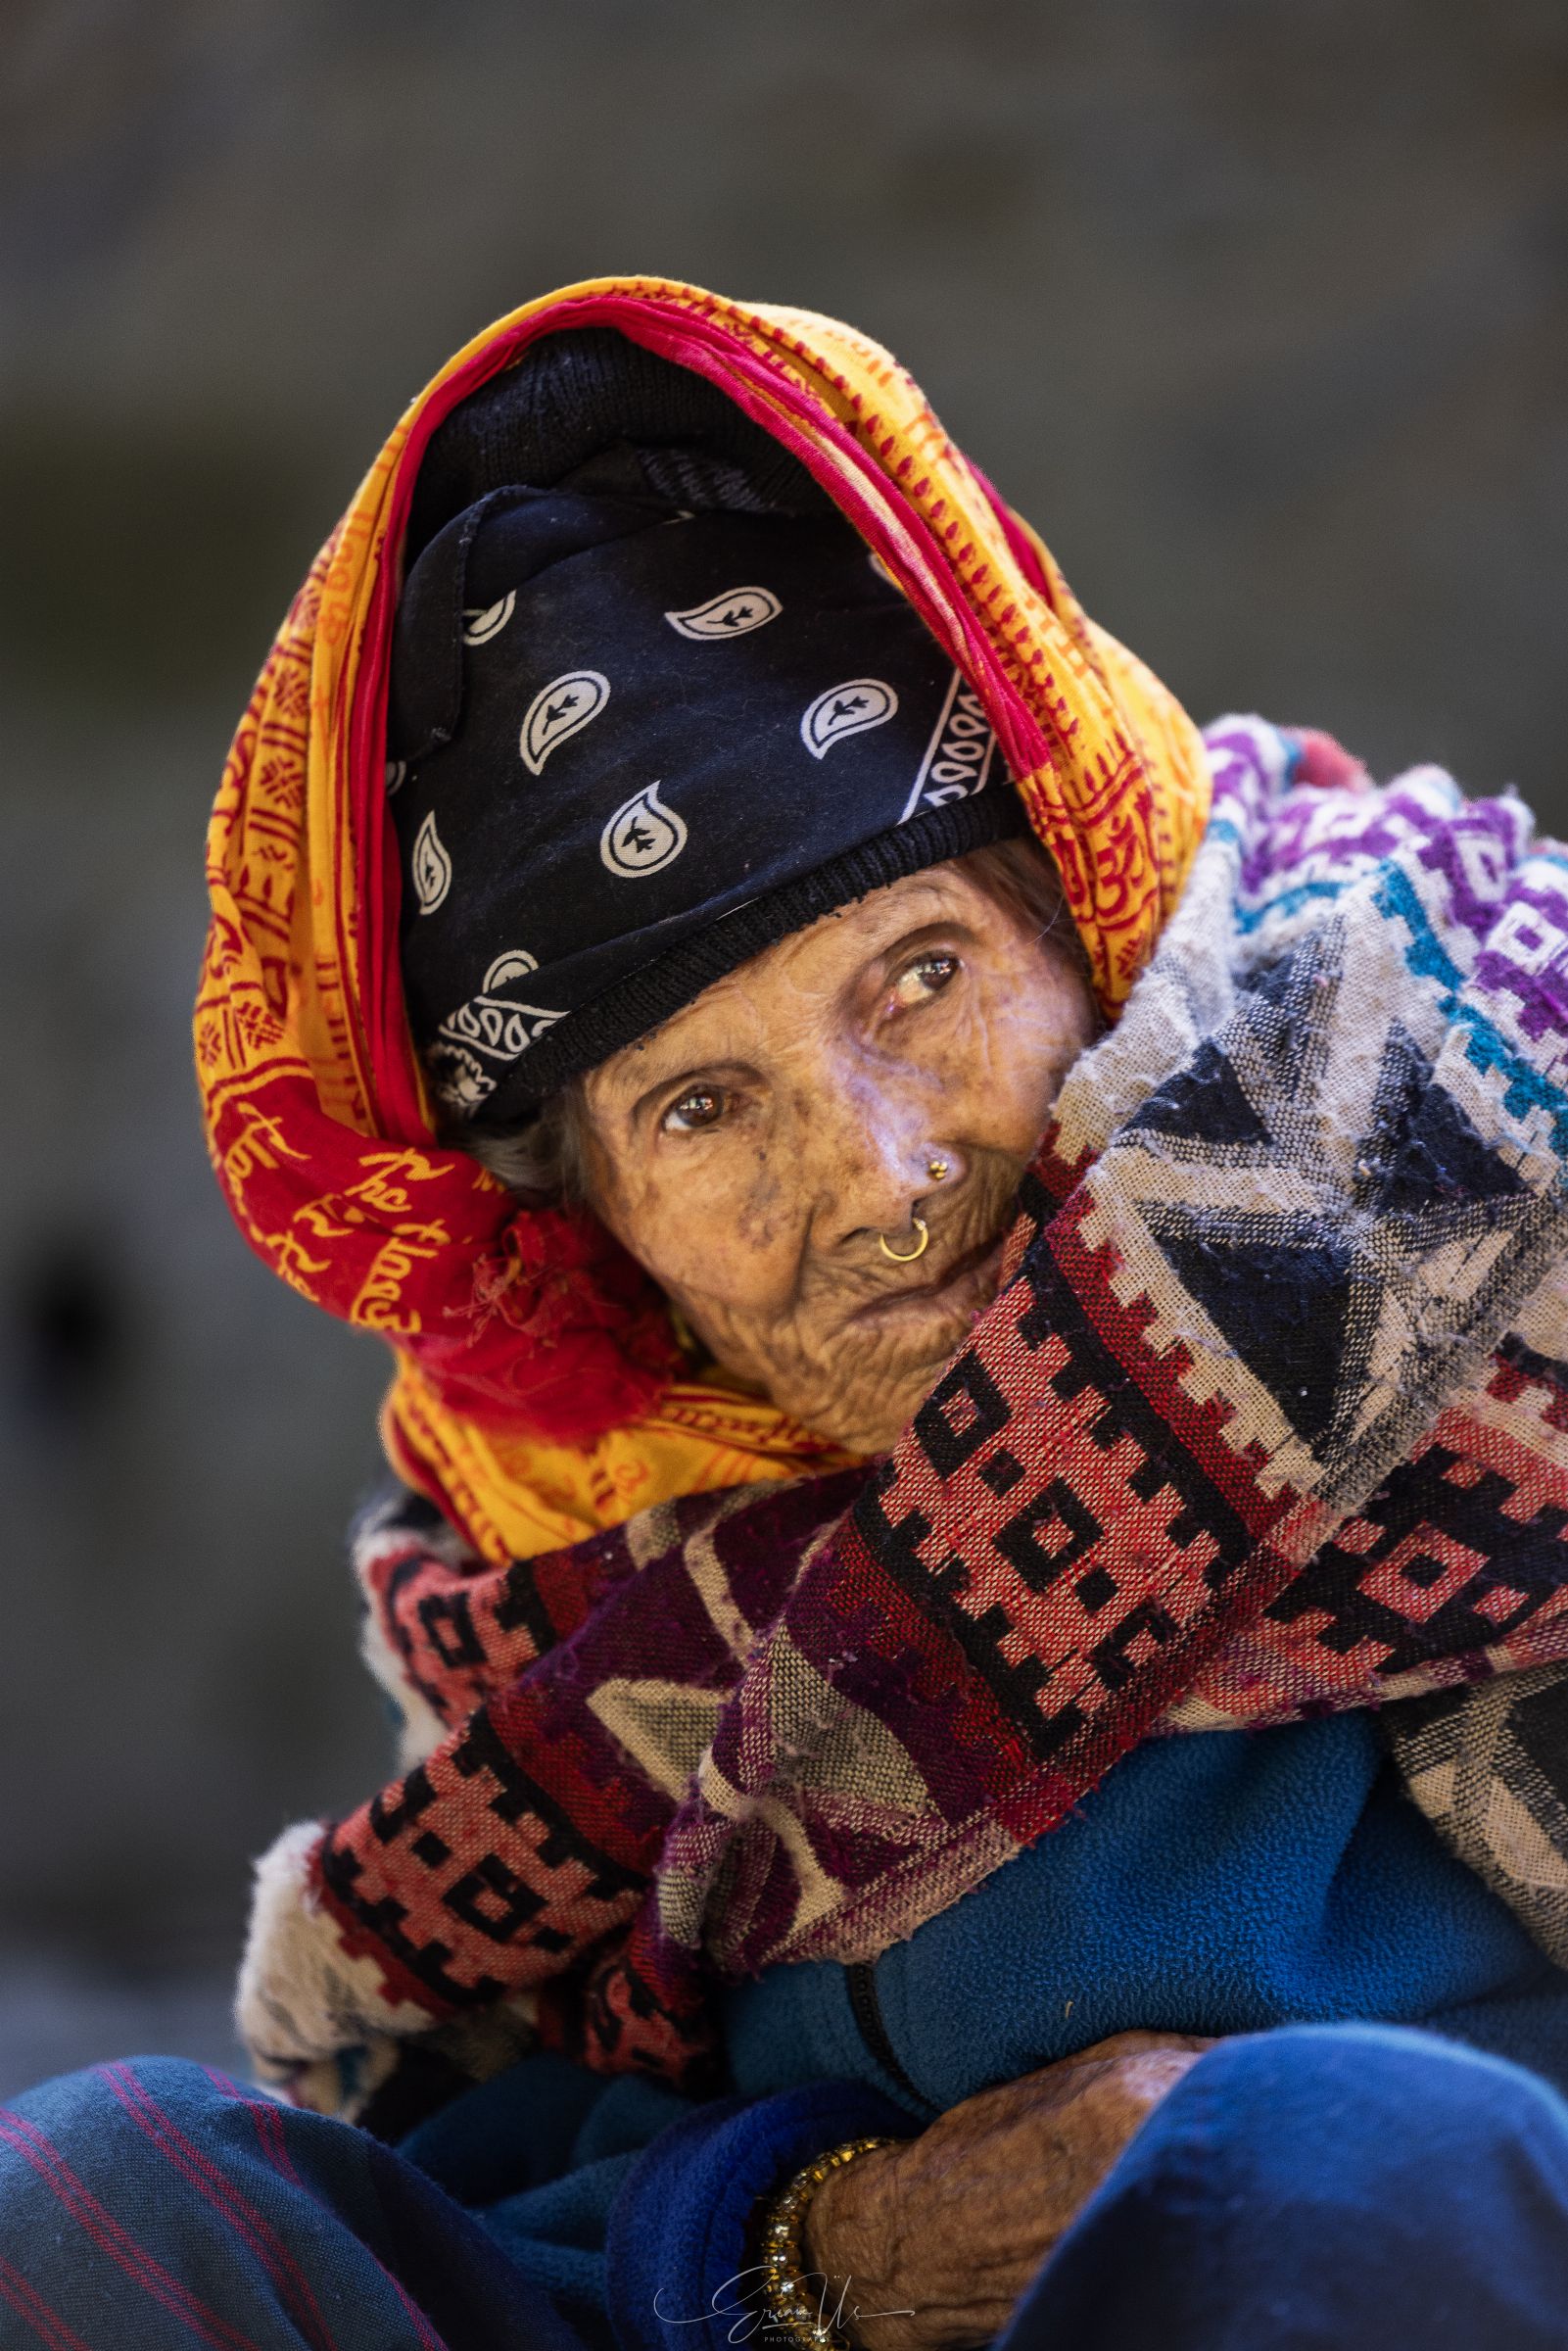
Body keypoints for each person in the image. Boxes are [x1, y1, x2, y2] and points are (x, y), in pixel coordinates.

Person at [8, 279, 1568, 2351]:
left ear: (1079, 909)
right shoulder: (585, 1563)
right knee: (92, 2201)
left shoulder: (1461, 1181)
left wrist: (1287, 2179)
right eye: (700, 1108)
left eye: (922, 976)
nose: (883, 1173)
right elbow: (526, 2179)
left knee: (1332, 2164)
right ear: (596, 1223)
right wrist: (824, 2244)